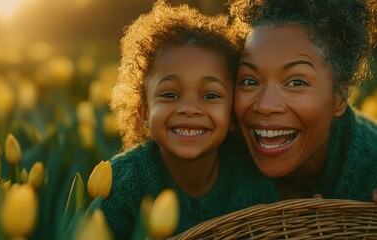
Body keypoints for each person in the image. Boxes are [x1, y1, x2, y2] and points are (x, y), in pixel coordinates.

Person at [100, 1, 277, 238]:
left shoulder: (251, 169)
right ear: (144, 112)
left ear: (232, 110)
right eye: (170, 94)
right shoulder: (122, 184)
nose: (190, 109)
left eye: (210, 95)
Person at [229, 0, 377, 201]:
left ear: (340, 98)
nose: (265, 105)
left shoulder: (370, 171)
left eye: (296, 82)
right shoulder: (213, 156)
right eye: (249, 81)